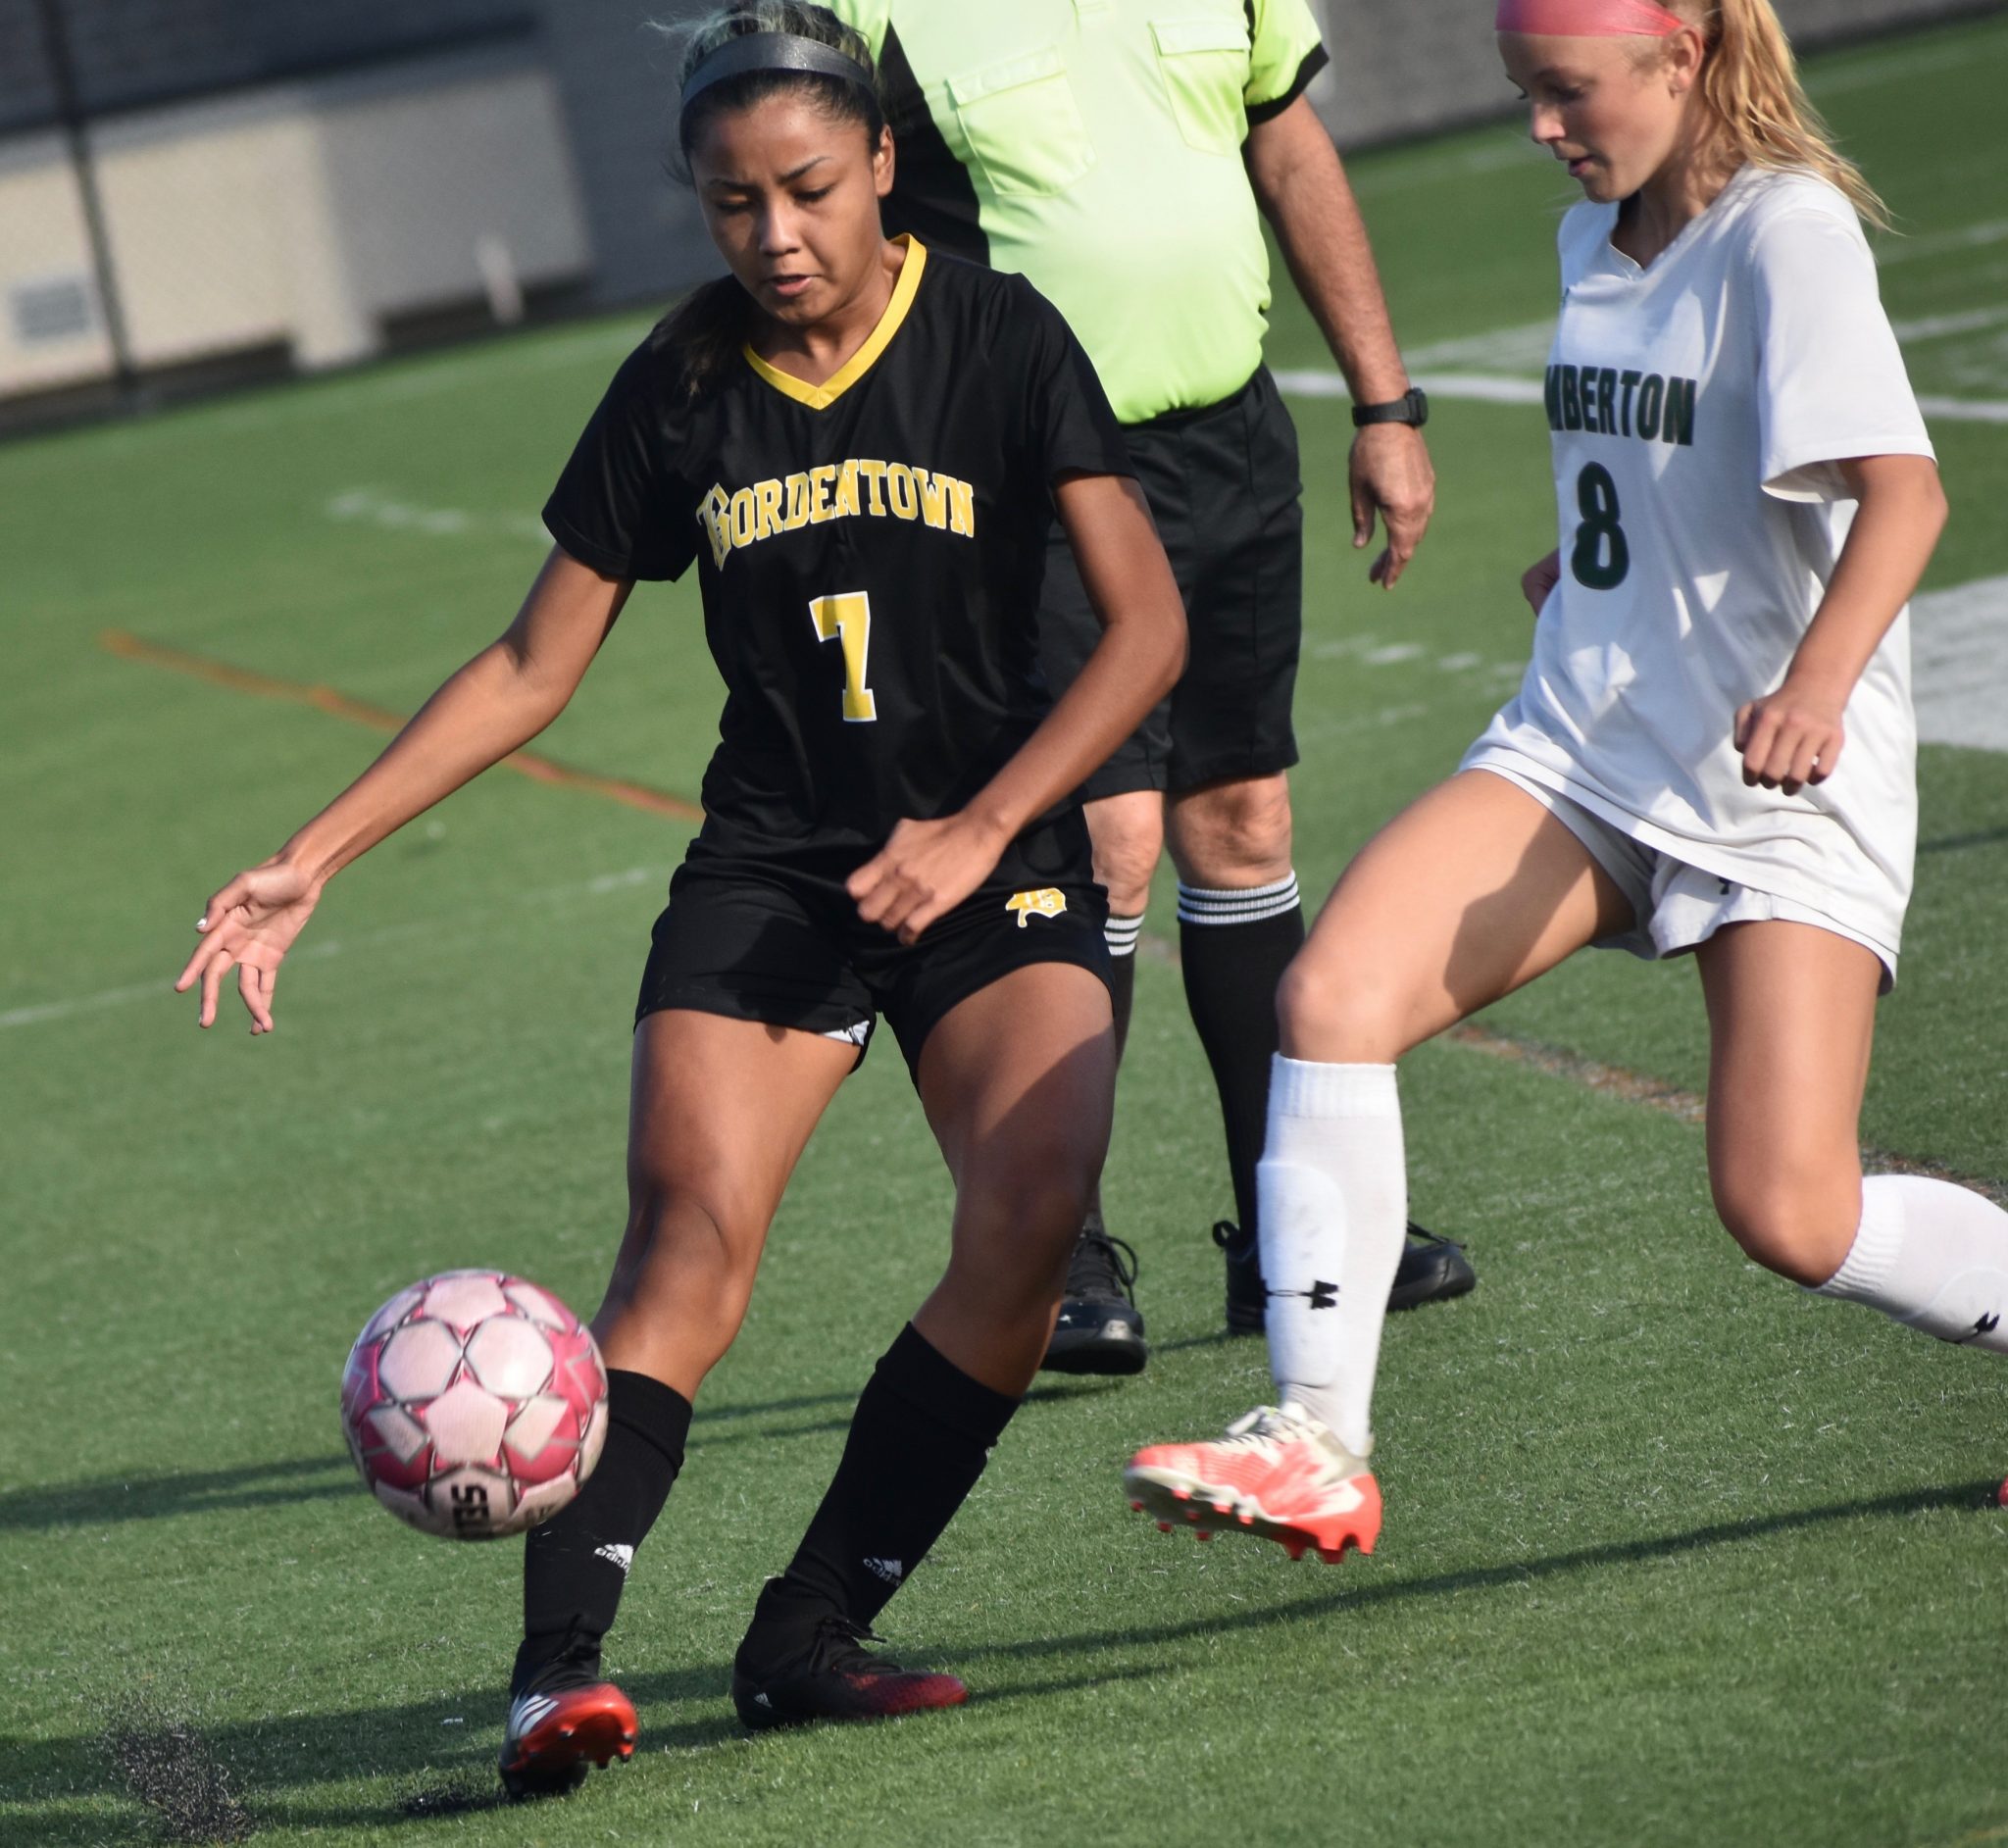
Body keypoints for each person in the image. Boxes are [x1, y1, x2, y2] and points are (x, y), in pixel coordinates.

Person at [176, 1, 1184, 1794]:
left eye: (807, 189)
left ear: (884, 164)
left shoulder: (1000, 331)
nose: (775, 237)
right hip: (778, 865)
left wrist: (990, 821)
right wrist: (311, 853)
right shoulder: (685, 380)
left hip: (990, 848)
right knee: (687, 1250)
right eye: (732, 205)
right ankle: (551, 1678)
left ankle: (810, 1627)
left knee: (1032, 1214)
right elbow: (529, 662)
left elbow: (1146, 626)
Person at [1122, 0, 2005, 1564]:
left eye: (1566, 90)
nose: (1542, 124)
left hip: (1771, 787)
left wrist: (1813, 684)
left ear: (1682, 57)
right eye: (1524, 92)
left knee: (1790, 1210)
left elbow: (1907, 495)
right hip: (1587, 743)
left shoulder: (1783, 235)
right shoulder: (1590, 237)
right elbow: (1658, 470)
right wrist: (1595, 570)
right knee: (1328, 999)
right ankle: (1318, 1436)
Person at [823, 0, 1474, 1375]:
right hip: (1026, 473)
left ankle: (1290, 1230)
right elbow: (817, 224)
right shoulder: (863, 12)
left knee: (1243, 825)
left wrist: (1384, 404)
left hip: (1227, 437)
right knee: (1107, 842)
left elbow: (1290, 153)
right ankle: (1059, 1255)